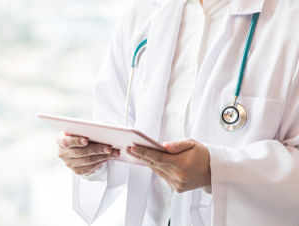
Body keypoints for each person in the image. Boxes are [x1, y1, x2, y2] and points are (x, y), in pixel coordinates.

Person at [57, 0, 299, 225]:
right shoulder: (142, 13)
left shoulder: (290, 20)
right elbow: (116, 121)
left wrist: (215, 169)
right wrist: (90, 158)